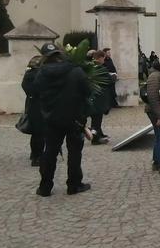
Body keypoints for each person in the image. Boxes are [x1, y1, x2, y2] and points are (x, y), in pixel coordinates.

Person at [34, 43, 92, 197]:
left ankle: (45, 187)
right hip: (74, 118)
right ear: (60, 55)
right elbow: (88, 91)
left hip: (51, 119)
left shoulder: (41, 73)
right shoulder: (75, 71)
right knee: (74, 153)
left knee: (50, 152)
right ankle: (74, 185)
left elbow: (34, 91)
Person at [21, 55, 45, 166]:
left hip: (32, 105)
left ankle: (34, 154)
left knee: (36, 133)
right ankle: (37, 157)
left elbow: (25, 87)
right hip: (39, 105)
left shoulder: (28, 74)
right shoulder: (39, 75)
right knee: (40, 133)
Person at [89, 50, 112, 145]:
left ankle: (99, 134)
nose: (104, 60)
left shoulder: (91, 67)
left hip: (93, 96)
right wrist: (112, 77)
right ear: (100, 58)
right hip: (99, 97)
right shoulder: (100, 68)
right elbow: (108, 80)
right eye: (103, 58)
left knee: (96, 118)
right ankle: (95, 138)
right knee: (97, 119)